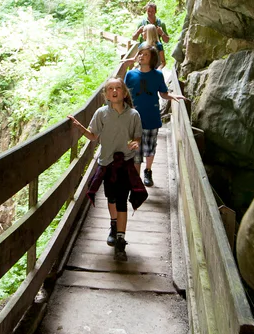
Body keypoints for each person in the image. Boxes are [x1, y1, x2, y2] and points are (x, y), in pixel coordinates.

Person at [68, 77, 147, 261]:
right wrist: (79, 127)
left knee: (121, 201)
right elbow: (94, 136)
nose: (114, 91)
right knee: (111, 198)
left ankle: (120, 240)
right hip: (106, 164)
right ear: (106, 94)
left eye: (118, 88)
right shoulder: (101, 113)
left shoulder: (133, 115)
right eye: (110, 88)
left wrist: (135, 143)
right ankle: (113, 224)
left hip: (125, 164)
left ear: (124, 92)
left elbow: (137, 137)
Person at [124, 46, 185, 186]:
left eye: (145, 54)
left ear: (152, 58)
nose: (141, 56)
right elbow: (124, 94)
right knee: (135, 151)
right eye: (140, 53)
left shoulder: (157, 75)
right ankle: (136, 181)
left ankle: (148, 171)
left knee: (149, 147)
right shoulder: (130, 75)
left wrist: (172, 96)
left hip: (151, 117)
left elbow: (163, 93)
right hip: (133, 119)